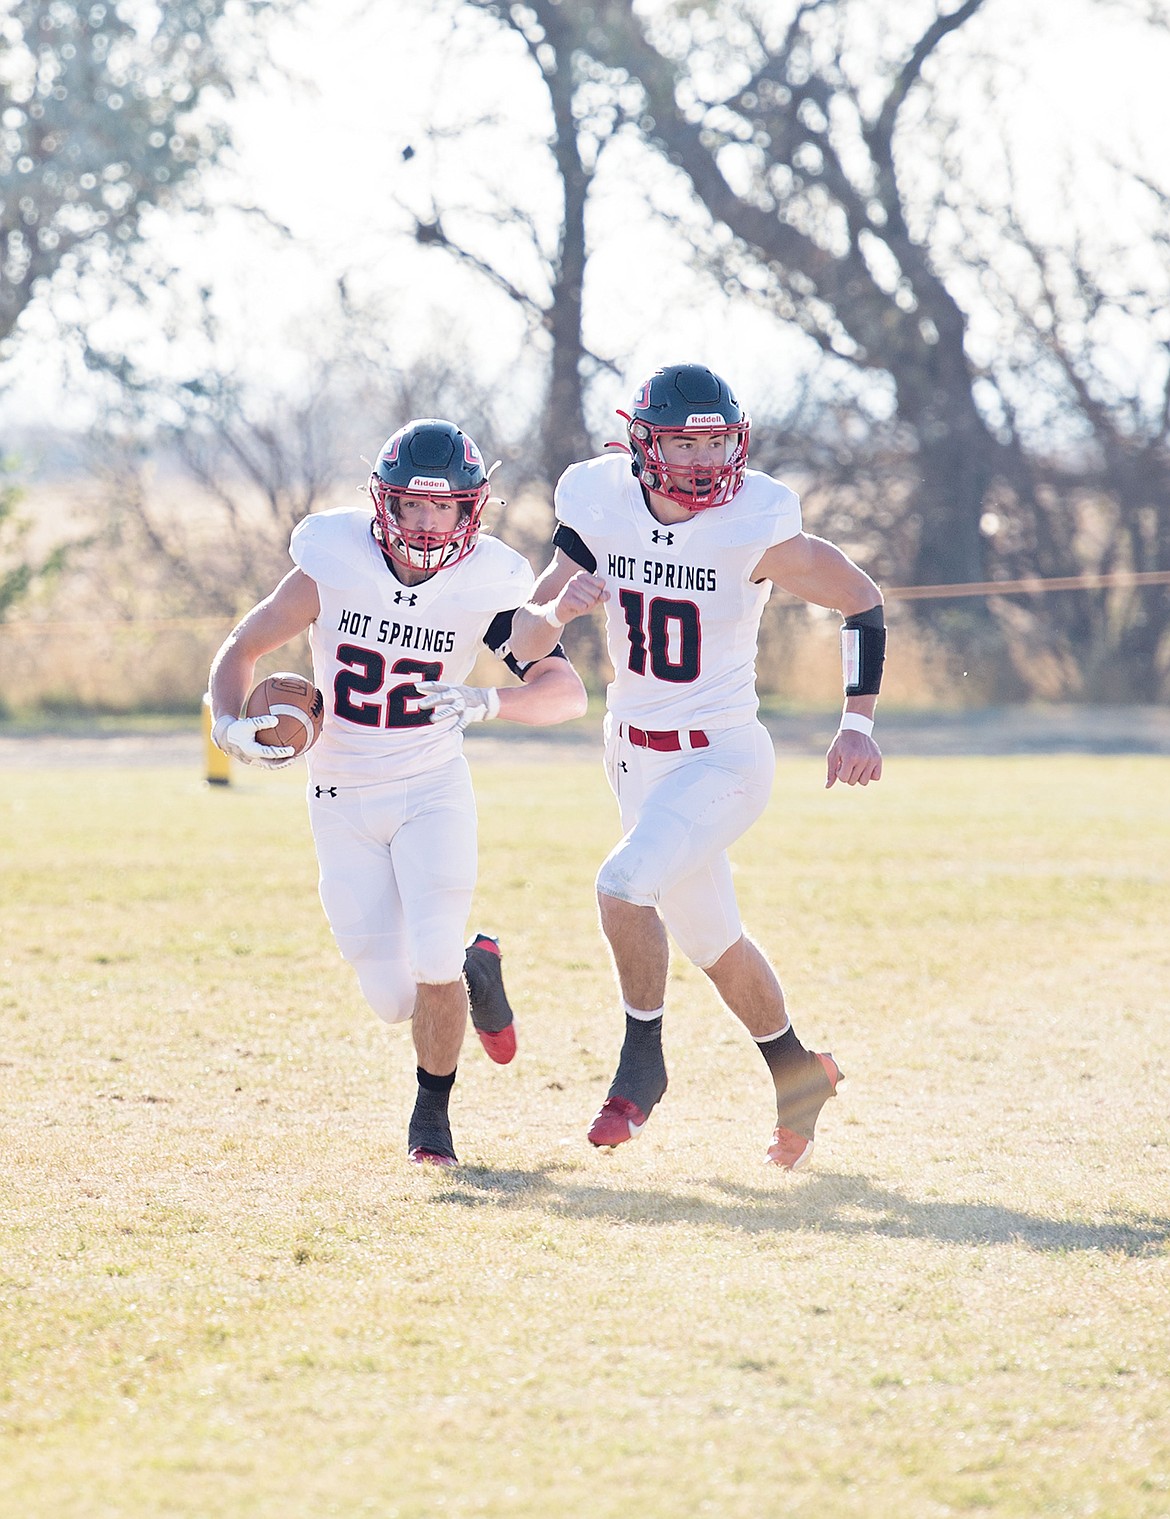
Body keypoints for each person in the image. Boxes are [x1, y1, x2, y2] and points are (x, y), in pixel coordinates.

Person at [506, 363, 886, 1171]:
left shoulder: (754, 518)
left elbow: (859, 596)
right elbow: (518, 642)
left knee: (620, 885)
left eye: (717, 444)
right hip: (631, 756)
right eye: (684, 441)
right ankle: (797, 1073)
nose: (704, 461)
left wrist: (858, 722)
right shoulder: (600, 503)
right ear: (642, 444)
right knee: (716, 943)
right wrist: (552, 617)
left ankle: (642, 1059)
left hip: (722, 756)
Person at [208, 418, 587, 1168]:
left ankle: (432, 1119)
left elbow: (565, 691)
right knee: (391, 994)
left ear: (469, 510)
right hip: (340, 794)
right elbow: (242, 647)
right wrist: (226, 725)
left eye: (441, 507)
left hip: (430, 786)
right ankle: (480, 966)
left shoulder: (488, 582)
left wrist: (489, 702)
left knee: (433, 949)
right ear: (383, 501)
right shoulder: (334, 560)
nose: (424, 521)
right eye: (411, 504)